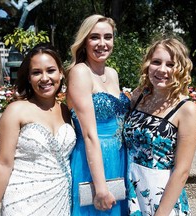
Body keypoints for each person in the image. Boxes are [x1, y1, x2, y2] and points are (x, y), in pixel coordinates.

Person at [0, 43, 76, 216]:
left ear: (61, 73)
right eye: (36, 72)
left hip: (61, 199)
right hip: (22, 202)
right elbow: (4, 164)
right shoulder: (16, 110)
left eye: (50, 70)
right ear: (28, 77)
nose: (44, 78)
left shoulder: (67, 111)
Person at [123, 37, 196, 215]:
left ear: (180, 69)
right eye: (156, 62)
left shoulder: (186, 109)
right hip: (131, 191)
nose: (162, 69)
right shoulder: (140, 96)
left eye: (170, 64)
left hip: (161, 198)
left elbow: (182, 170)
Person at [66, 14, 130, 215]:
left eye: (108, 37)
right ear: (84, 41)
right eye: (95, 37)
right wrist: (100, 187)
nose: (102, 43)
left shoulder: (111, 73)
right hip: (93, 159)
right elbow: (88, 134)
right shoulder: (80, 72)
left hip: (119, 156)